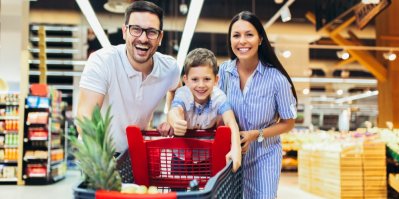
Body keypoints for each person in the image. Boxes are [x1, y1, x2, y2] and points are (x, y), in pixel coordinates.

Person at [77, 1, 180, 154]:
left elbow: (177, 91)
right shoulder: (102, 61)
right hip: (97, 156)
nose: (143, 39)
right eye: (136, 29)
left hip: (133, 155)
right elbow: (86, 118)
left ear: (160, 37)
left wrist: (172, 116)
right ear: (125, 31)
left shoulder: (169, 69)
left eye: (151, 32)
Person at [218, 11, 298, 198]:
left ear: (260, 39)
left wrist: (256, 134)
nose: (242, 41)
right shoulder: (224, 72)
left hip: (265, 156)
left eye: (249, 34)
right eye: (236, 35)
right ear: (230, 40)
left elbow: (289, 123)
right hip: (231, 154)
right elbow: (217, 109)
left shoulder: (277, 80)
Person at [167, 48, 241, 173]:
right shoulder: (182, 94)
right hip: (180, 155)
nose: (201, 85)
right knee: (178, 190)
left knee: (207, 190)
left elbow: (231, 122)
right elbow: (175, 110)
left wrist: (236, 149)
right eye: (195, 79)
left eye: (207, 79)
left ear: (216, 80)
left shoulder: (219, 97)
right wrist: (175, 121)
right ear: (185, 80)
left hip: (206, 156)